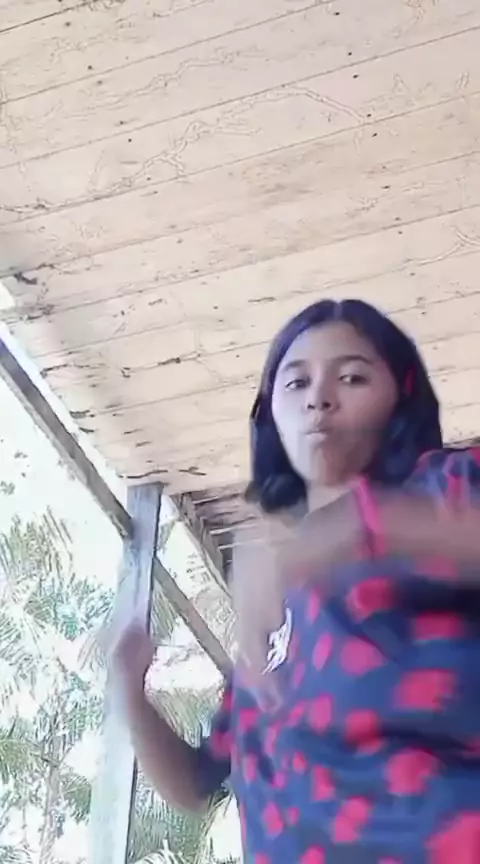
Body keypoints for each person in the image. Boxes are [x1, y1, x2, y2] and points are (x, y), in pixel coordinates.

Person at [111, 299, 480, 863]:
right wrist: (127, 690)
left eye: (352, 377)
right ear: (269, 414)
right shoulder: (268, 637)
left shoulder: (450, 485)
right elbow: (196, 784)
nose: (319, 397)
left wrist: (353, 528)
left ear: (401, 397)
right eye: (296, 382)